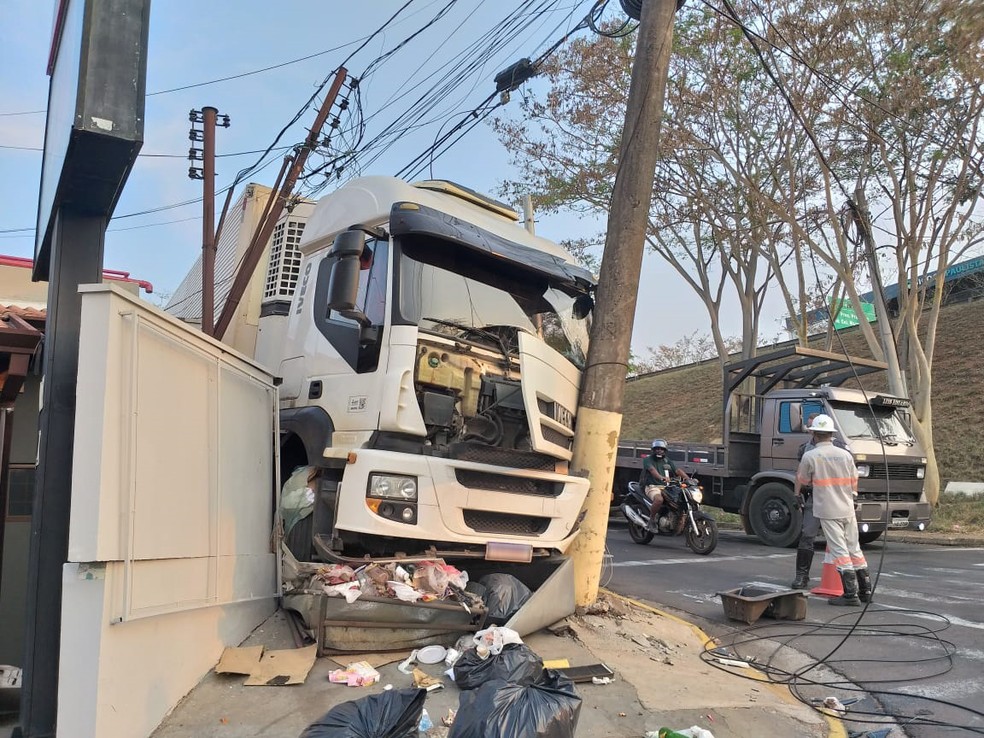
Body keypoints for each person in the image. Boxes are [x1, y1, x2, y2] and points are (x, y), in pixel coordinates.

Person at [794, 414, 872, 605]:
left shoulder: (810, 455)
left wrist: (797, 495)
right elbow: (854, 480)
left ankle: (850, 595)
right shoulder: (845, 454)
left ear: (814, 433)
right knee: (854, 548)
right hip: (847, 507)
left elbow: (802, 480)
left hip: (827, 509)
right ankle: (866, 591)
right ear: (831, 434)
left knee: (839, 551)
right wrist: (852, 496)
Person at [791, 414, 849, 590]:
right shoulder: (805, 449)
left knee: (840, 541)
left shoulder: (840, 448)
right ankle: (802, 576)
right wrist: (797, 494)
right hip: (815, 497)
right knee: (807, 535)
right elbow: (800, 474)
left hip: (835, 498)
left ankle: (847, 582)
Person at [642, 439, 692, 529]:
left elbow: (677, 470)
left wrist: (688, 479)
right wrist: (662, 477)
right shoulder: (647, 460)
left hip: (666, 487)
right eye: (657, 449)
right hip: (652, 486)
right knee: (659, 500)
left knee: (679, 500)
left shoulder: (667, 460)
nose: (659, 450)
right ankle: (651, 520)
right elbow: (652, 470)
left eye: (661, 449)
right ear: (653, 450)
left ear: (665, 450)